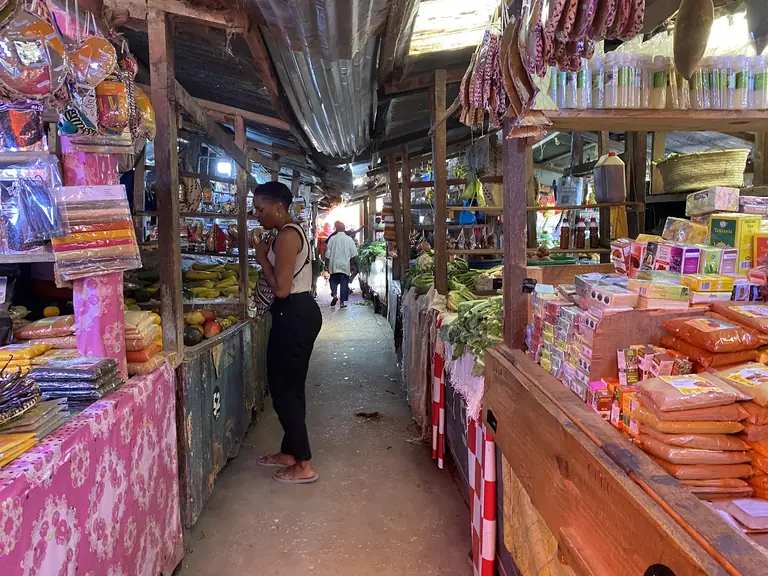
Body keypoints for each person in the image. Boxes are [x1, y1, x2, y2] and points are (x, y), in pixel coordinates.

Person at [253, 182, 322, 484]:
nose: (257, 216)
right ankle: (290, 452)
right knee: (290, 388)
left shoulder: (286, 236)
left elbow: (280, 289)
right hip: (299, 311)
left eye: (261, 209)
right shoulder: (290, 232)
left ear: (278, 207)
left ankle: (304, 464)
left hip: (293, 312)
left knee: (282, 391)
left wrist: (260, 259)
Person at [325, 221, 358, 308]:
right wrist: (352, 265)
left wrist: (326, 264)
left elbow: (328, 253)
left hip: (334, 265)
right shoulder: (349, 239)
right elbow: (353, 254)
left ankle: (335, 295)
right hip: (344, 265)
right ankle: (342, 303)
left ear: (336, 229)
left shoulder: (332, 239)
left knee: (333, 280)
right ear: (344, 229)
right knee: (344, 283)